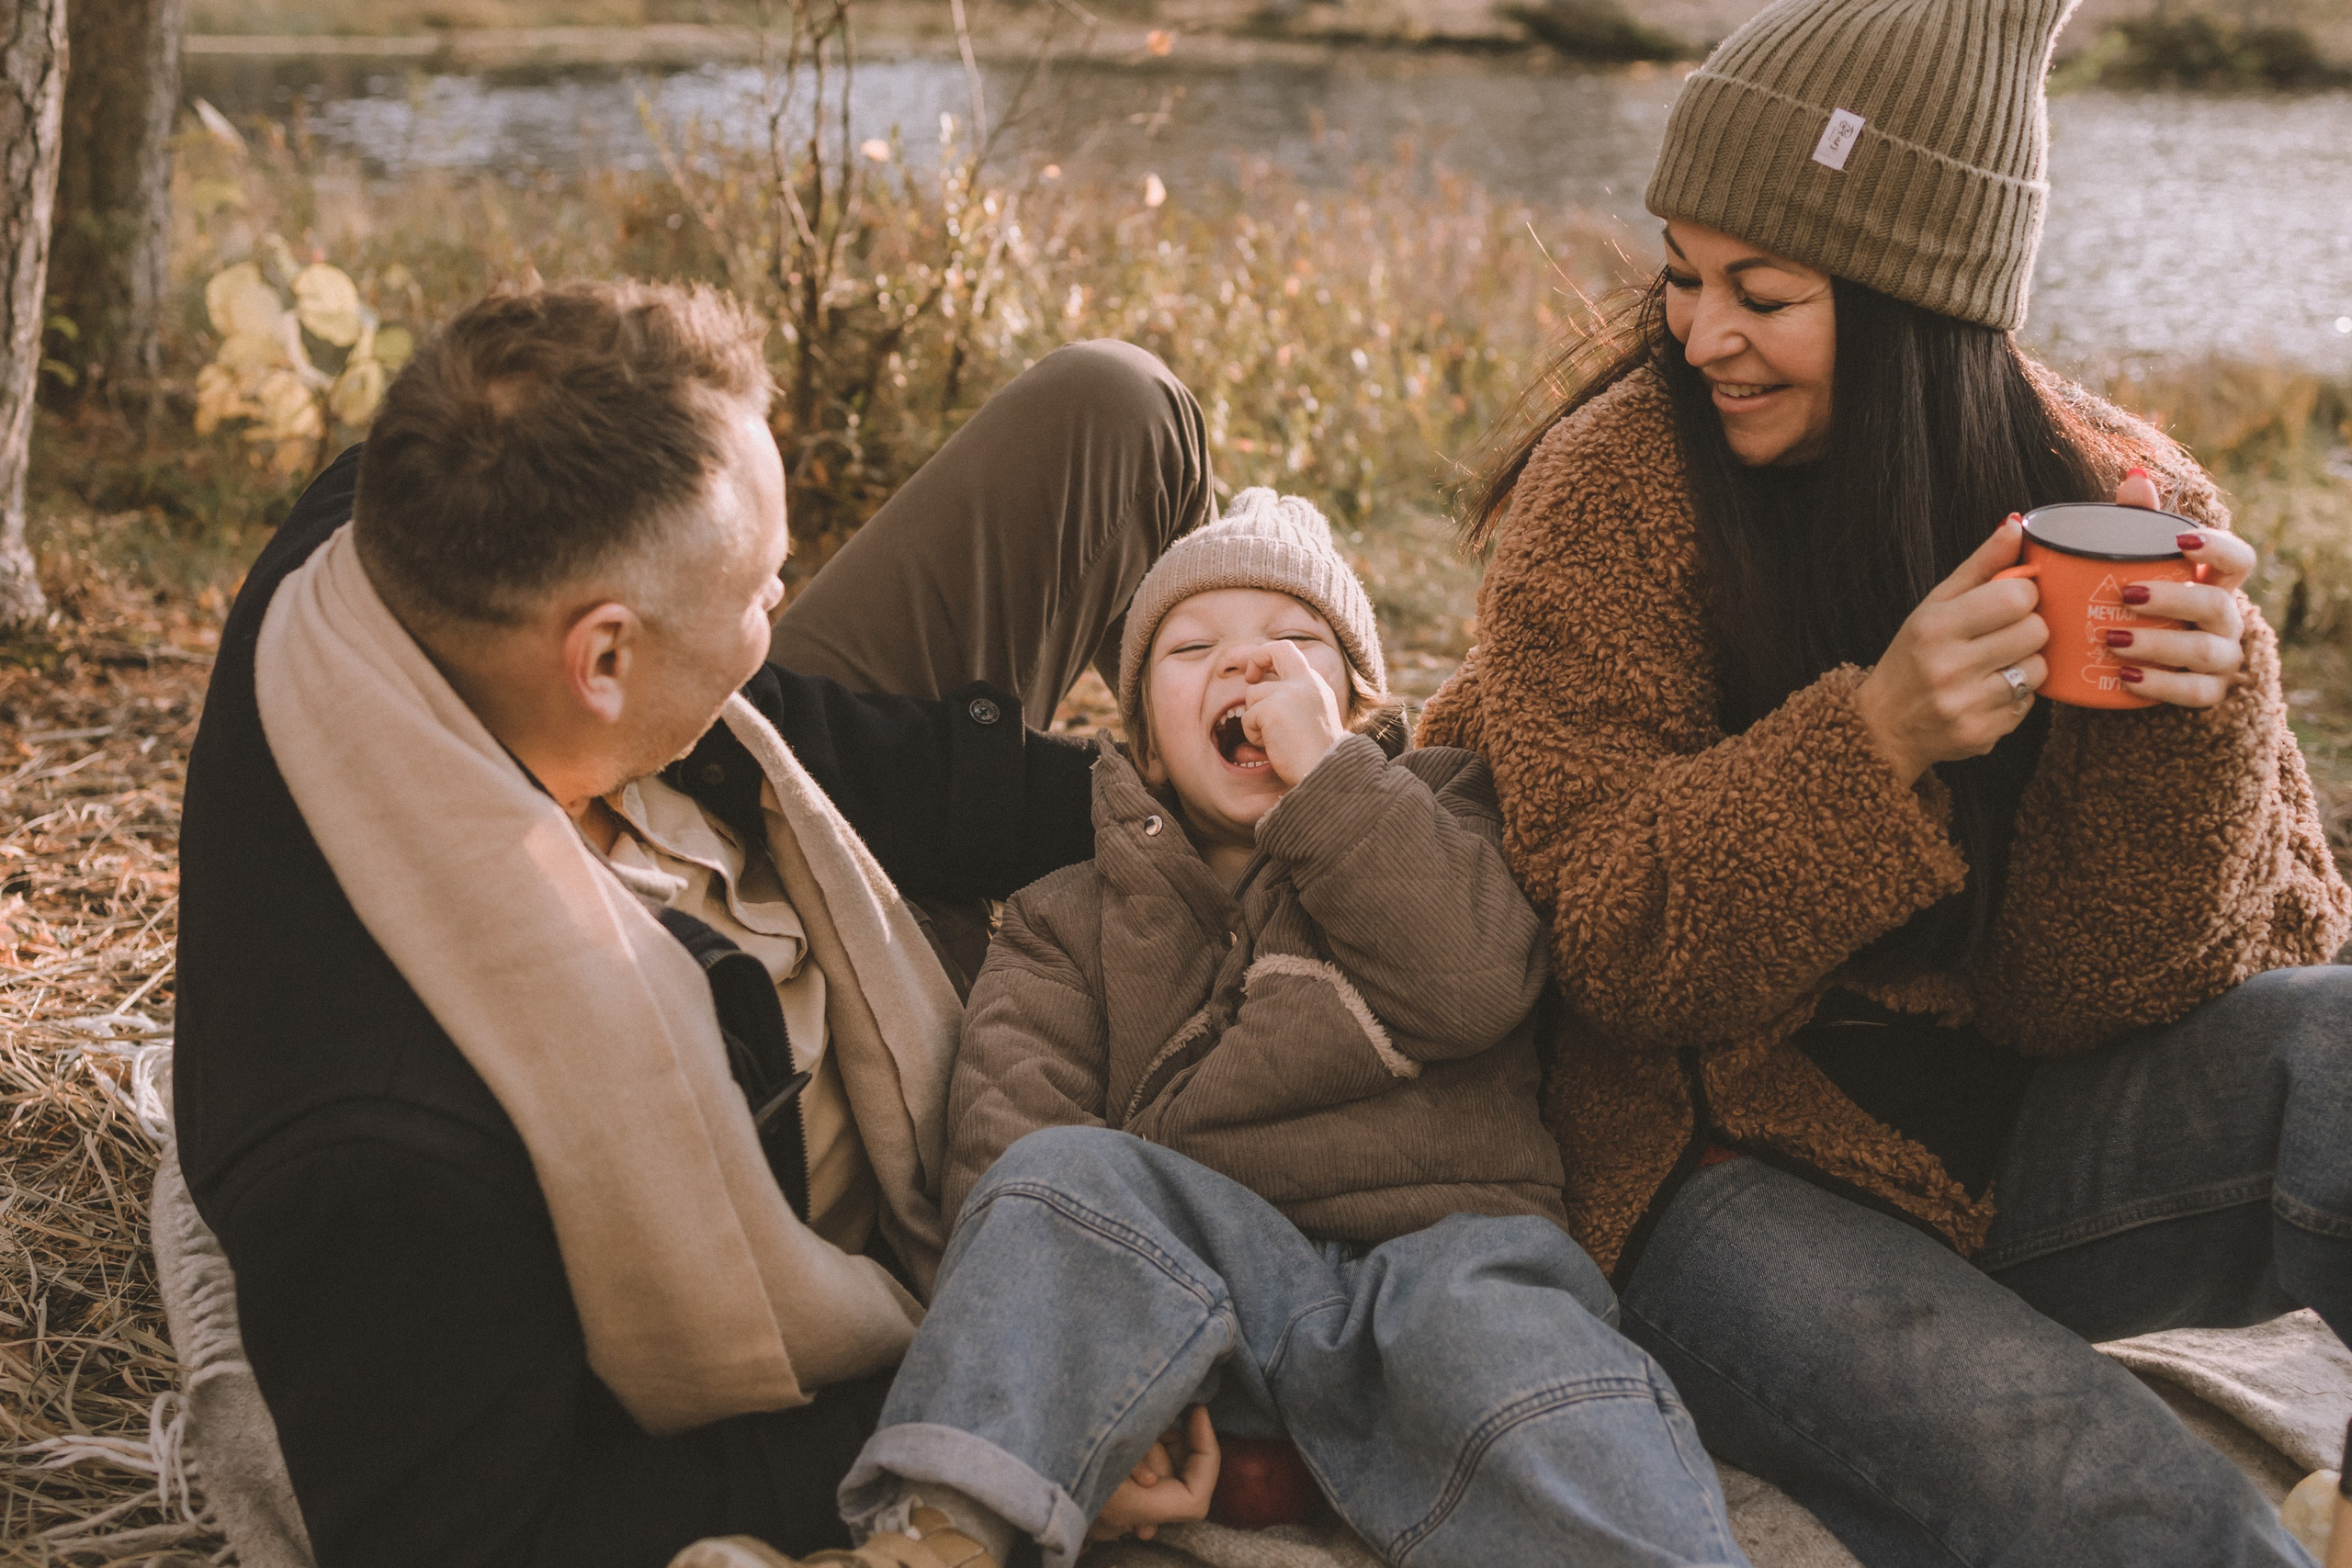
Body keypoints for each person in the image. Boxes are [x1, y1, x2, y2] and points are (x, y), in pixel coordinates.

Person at [1415, 0, 2352, 1563]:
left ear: (1923, 303)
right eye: (1683, 274)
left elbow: (2092, 995)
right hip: (1710, 1169)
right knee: (2120, 1492)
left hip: (2032, 1142)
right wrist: (1876, 745)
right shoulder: (1614, 500)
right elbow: (1615, 953)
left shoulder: (2114, 502)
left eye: (1763, 293)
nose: (1700, 333)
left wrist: (2198, 709)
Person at [166, 278, 1216, 1567]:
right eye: (767, 585)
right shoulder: (392, 1158)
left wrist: (1161, 809)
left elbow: (787, 730)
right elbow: (496, 1534)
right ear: (601, 657)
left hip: (811, 905)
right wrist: (1000, 1417)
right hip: (805, 1147)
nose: (785, 602)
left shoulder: (413, 513)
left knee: (1111, 409)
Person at [723, 491, 1753, 1568]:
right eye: (1194, 647)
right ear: (1145, 743)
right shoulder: (1065, 912)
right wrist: (1092, 1391)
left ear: (1355, 710)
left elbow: (1474, 982)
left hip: (1447, 1264)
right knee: (1054, 1175)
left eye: (1296, 643)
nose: (1248, 665)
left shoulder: (1437, 810)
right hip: (1191, 1291)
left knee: (1542, 1383)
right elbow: (1006, 1143)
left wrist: (1333, 786)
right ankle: (930, 1541)